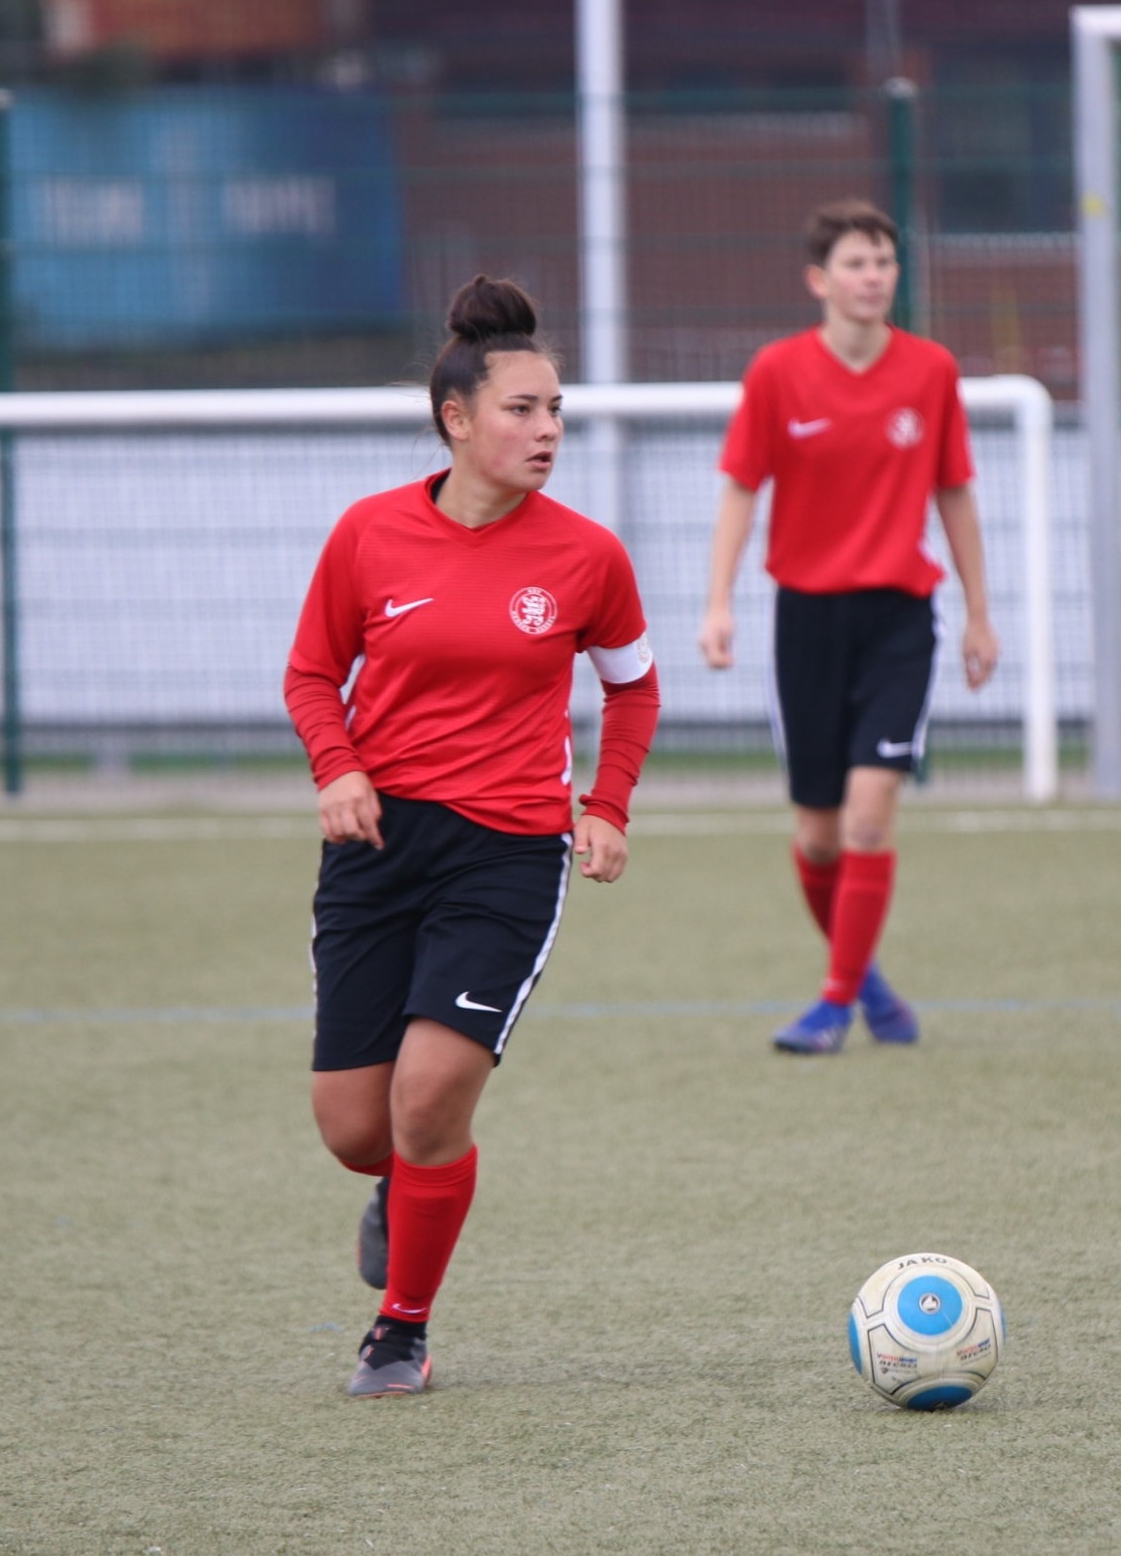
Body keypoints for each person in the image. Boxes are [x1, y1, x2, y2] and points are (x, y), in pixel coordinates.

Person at [285, 276, 659, 1398]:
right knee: (356, 1128)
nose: (547, 431)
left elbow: (633, 688)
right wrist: (339, 767)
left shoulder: (588, 556)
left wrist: (607, 805)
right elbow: (311, 673)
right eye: (522, 410)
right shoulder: (368, 533)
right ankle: (398, 1184)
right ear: (456, 419)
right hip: (377, 847)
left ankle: (400, 1331)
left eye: (556, 411)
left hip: (507, 852)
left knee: (430, 1097)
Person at [698, 198, 999, 1055]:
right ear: (819, 280)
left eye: (884, 262)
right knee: (820, 837)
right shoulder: (777, 372)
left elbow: (954, 492)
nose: (873, 277)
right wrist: (718, 602)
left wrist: (979, 614)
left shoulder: (931, 371)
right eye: (856, 264)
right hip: (807, 622)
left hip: (900, 621)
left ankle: (832, 1004)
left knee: (870, 818)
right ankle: (867, 984)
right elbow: (740, 489)